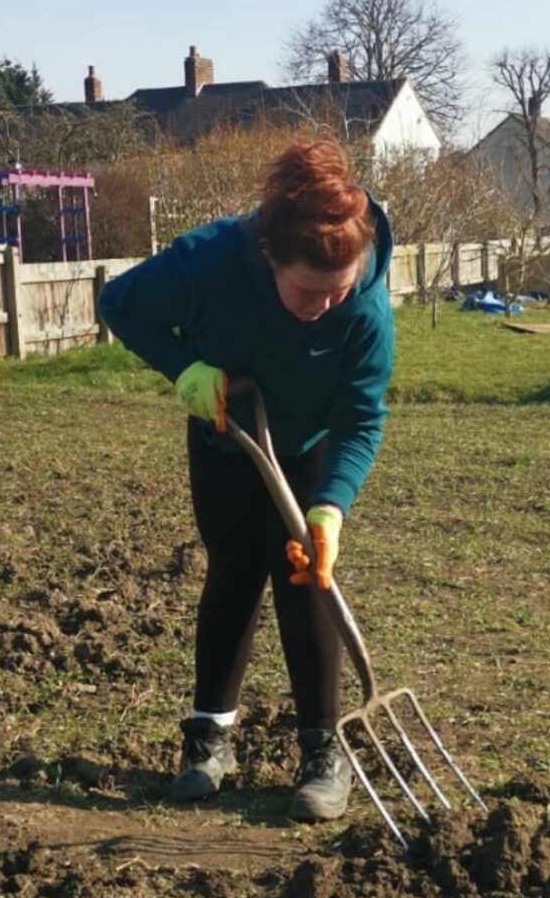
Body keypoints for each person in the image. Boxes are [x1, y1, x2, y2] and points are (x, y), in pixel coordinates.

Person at [96, 139, 394, 821]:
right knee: (232, 572)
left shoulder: (366, 309)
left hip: (312, 447)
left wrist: (331, 512)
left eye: (339, 290)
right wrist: (183, 368)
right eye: (307, 292)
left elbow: (361, 415)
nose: (325, 306)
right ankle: (209, 740)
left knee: (305, 583)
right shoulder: (208, 261)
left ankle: (323, 747)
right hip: (230, 437)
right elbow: (120, 304)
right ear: (269, 258)